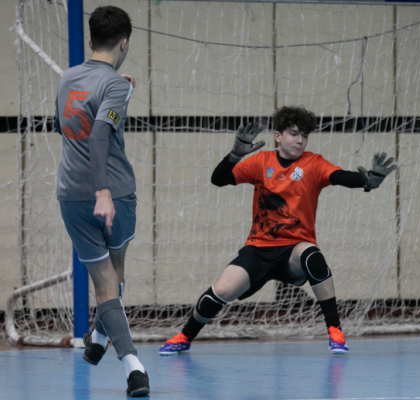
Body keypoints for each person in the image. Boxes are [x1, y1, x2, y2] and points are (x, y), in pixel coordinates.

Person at [159, 106, 396, 356]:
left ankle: (335, 330)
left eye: (304, 135)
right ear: (278, 136)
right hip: (258, 249)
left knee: (312, 255)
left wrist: (367, 180)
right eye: (294, 133)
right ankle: (185, 336)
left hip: (293, 250)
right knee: (220, 292)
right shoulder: (261, 162)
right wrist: (234, 155)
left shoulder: (314, 163)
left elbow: (340, 176)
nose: (300, 140)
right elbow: (218, 179)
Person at [55, 6, 149, 397]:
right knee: (112, 280)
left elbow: (69, 124)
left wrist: (117, 90)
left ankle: (97, 339)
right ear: (124, 43)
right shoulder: (116, 85)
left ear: (91, 40)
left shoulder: (67, 78)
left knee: (106, 280)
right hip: (113, 193)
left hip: (71, 193)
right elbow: (97, 135)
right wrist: (104, 192)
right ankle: (134, 368)